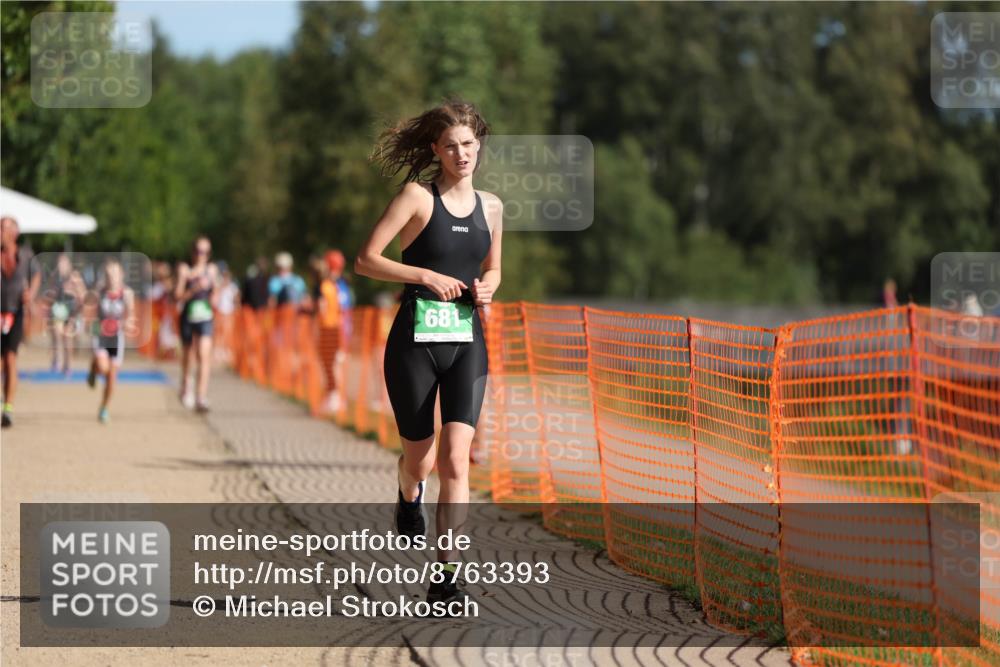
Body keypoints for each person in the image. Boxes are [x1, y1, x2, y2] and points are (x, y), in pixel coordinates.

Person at [355, 101, 503, 608]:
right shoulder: (417, 197)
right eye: (451, 146)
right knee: (419, 461)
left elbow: (494, 269)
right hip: (413, 344)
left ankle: (446, 578)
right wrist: (424, 275)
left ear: (478, 145)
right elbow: (366, 259)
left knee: (456, 460)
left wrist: (488, 287)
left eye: (469, 144)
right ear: (436, 150)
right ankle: (407, 490)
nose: (462, 154)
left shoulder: (492, 207)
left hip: (467, 342)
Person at [1, 217, 40, 428]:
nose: (0, 232)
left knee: (10, 358)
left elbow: (37, 275)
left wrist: (30, 294)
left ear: (14, 233)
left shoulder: (25, 255)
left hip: (15, 313)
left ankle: (8, 408)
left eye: (3, 228)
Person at [86, 259, 135, 424]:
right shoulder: (100, 291)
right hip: (101, 336)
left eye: (115, 274)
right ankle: (94, 368)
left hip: (116, 338)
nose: (111, 277)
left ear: (122, 275)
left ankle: (104, 408)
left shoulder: (127, 293)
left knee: (112, 377)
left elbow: (131, 313)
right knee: (103, 367)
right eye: (108, 274)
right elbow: (88, 305)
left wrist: (128, 323)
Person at [175, 236, 218, 412]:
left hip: (205, 316)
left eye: (206, 252)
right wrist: (194, 288)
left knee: (203, 354)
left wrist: (213, 292)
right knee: (188, 355)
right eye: (199, 252)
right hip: (188, 315)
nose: (202, 256)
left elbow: (215, 295)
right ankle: (186, 384)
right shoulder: (185, 270)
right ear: (193, 252)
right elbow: (178, 296)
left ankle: (201, 396)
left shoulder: (212, 270)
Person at [45, 253, 86, 376]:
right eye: (59, 263)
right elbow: (50, 295)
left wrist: (75, 315)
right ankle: (56, 359)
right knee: (56, 333)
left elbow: (83, 297)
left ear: (69, 265)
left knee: (67, 338)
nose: (60, 266)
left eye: (63, 263)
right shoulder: (55, 278)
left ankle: (67, 365)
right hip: (59, 311)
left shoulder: (75, 278)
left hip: (73, 313)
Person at [317, 250, 346, 413]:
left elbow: (323, 308)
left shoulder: (328, 286)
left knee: (332, 365)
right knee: (331, 364)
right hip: (333, 330)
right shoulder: (335, 286)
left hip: (330, 330)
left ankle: (335, 398)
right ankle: (332, 397)